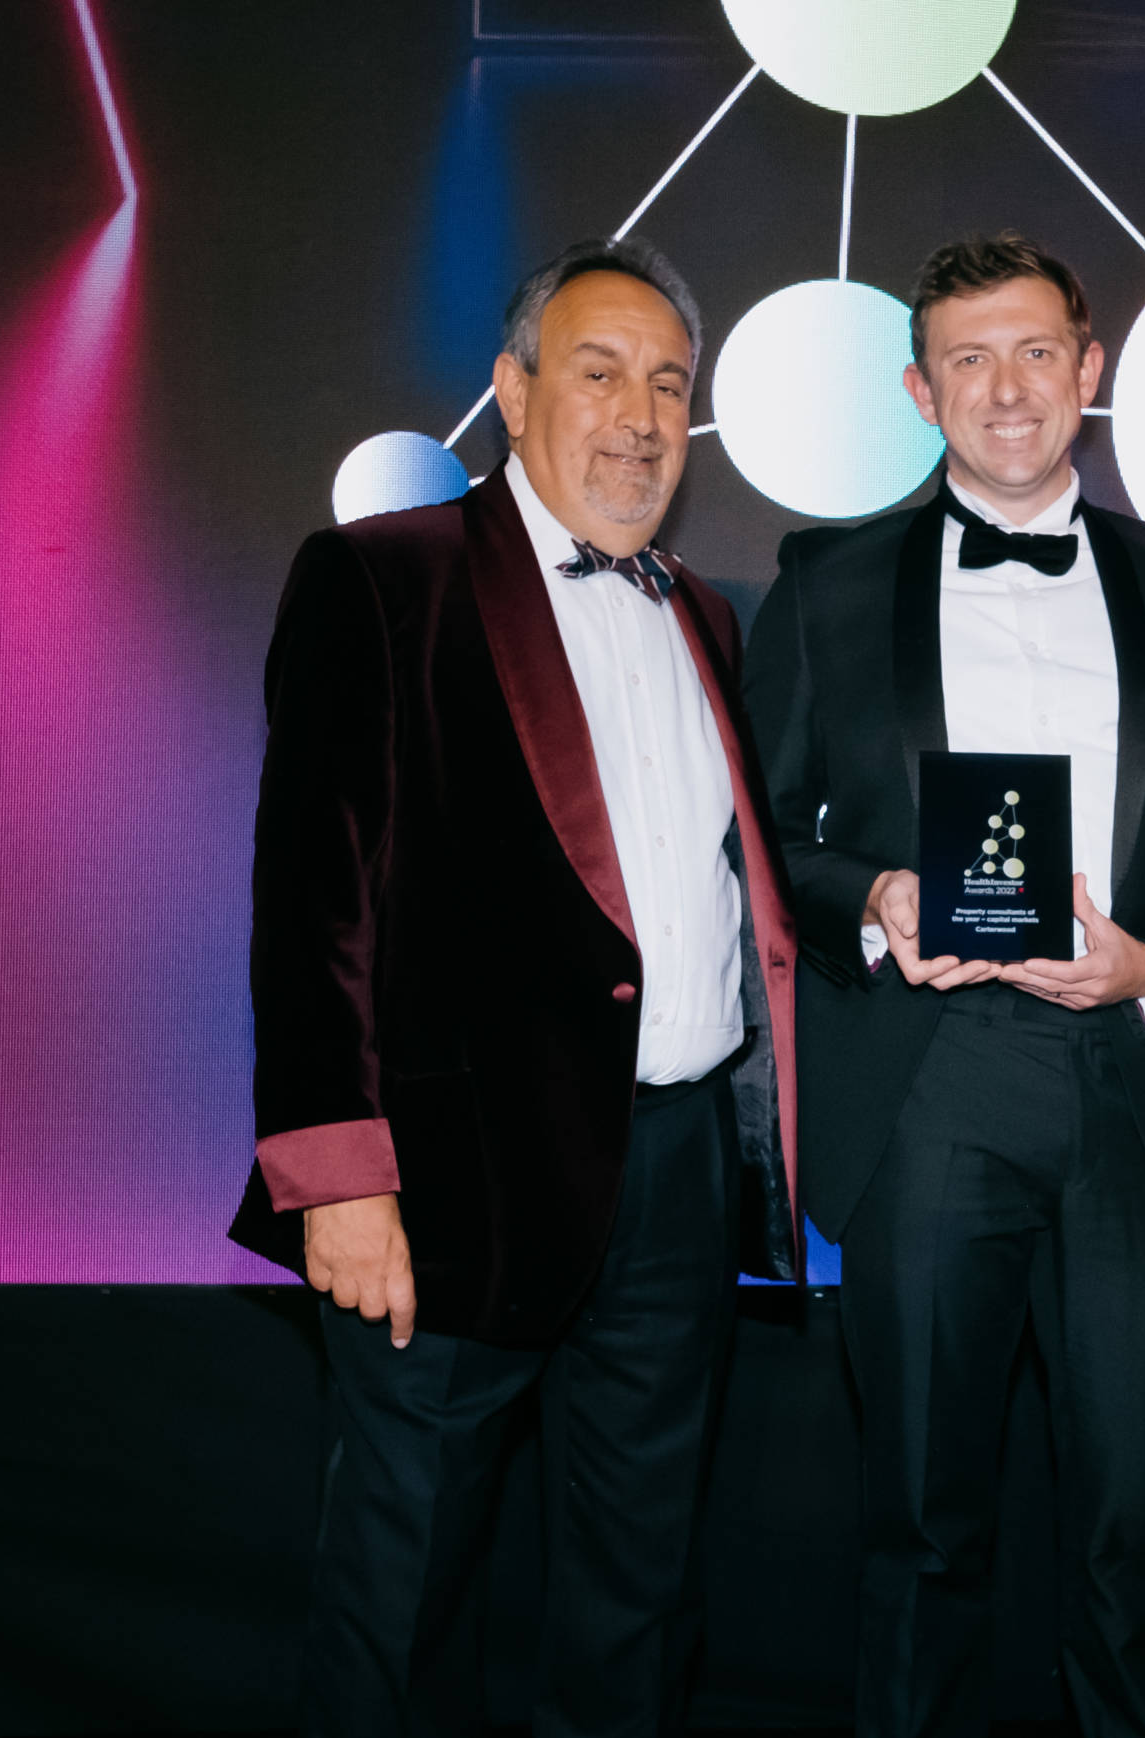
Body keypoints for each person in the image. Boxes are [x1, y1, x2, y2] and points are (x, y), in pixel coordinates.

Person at [227, 237, 799, 1738]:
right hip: (446, 1184)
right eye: (600, 372)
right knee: (403, 1588)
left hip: (674, 1182)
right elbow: (311, 901)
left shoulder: (706, 615)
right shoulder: (382, 577)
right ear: (512, 387)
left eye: (669, 384)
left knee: (637, 1586)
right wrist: (336, 1173)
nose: (639, 415)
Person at [743, 232, 1145, 1738]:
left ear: (1090, 369)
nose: (1006, 387)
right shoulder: (829, 580)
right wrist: (876, 898)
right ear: (921, 390)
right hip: (925, 1090)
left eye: (1035, 349)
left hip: (1135, 1089)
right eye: (967, 359)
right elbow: (768, 833)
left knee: (1134, 1536)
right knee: (921, 1529)